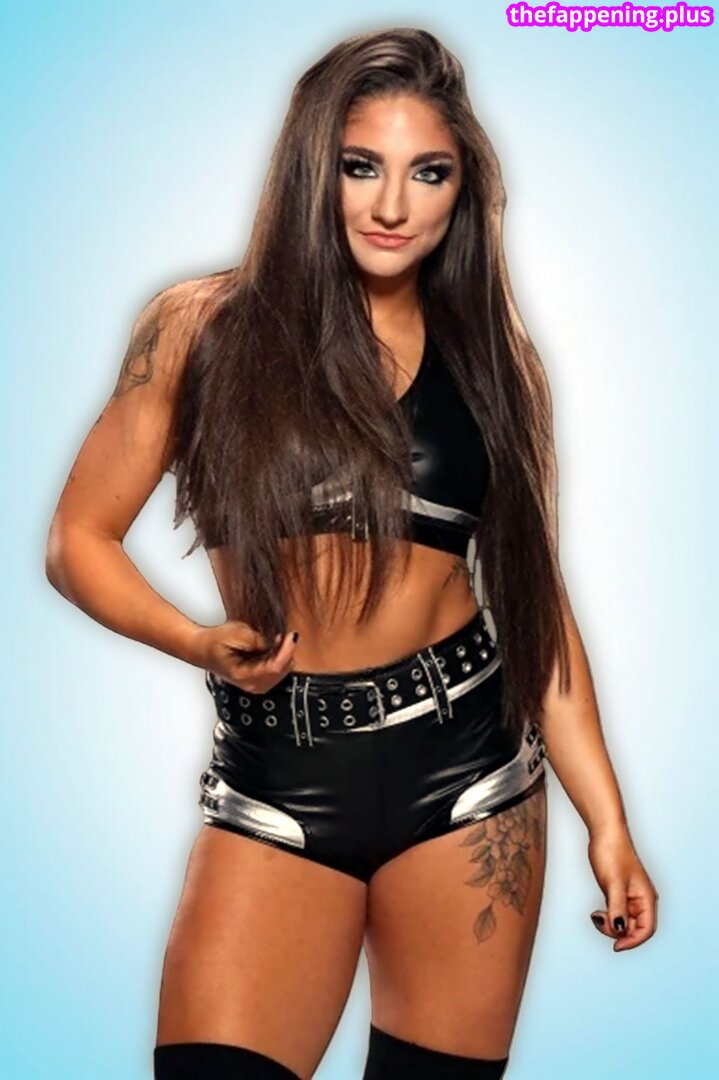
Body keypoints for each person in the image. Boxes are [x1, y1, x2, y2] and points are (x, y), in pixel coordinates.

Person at [45, 26, 659, 1080]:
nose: (392, 205)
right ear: (310, 168)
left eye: (429, 173)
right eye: (360, 166)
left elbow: (533, 602)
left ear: (462, 191)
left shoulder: (495, 361)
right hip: (277, 776)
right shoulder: (200, 328)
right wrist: (194, 639)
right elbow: (76, 541)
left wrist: (608, 823)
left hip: (469, 773)